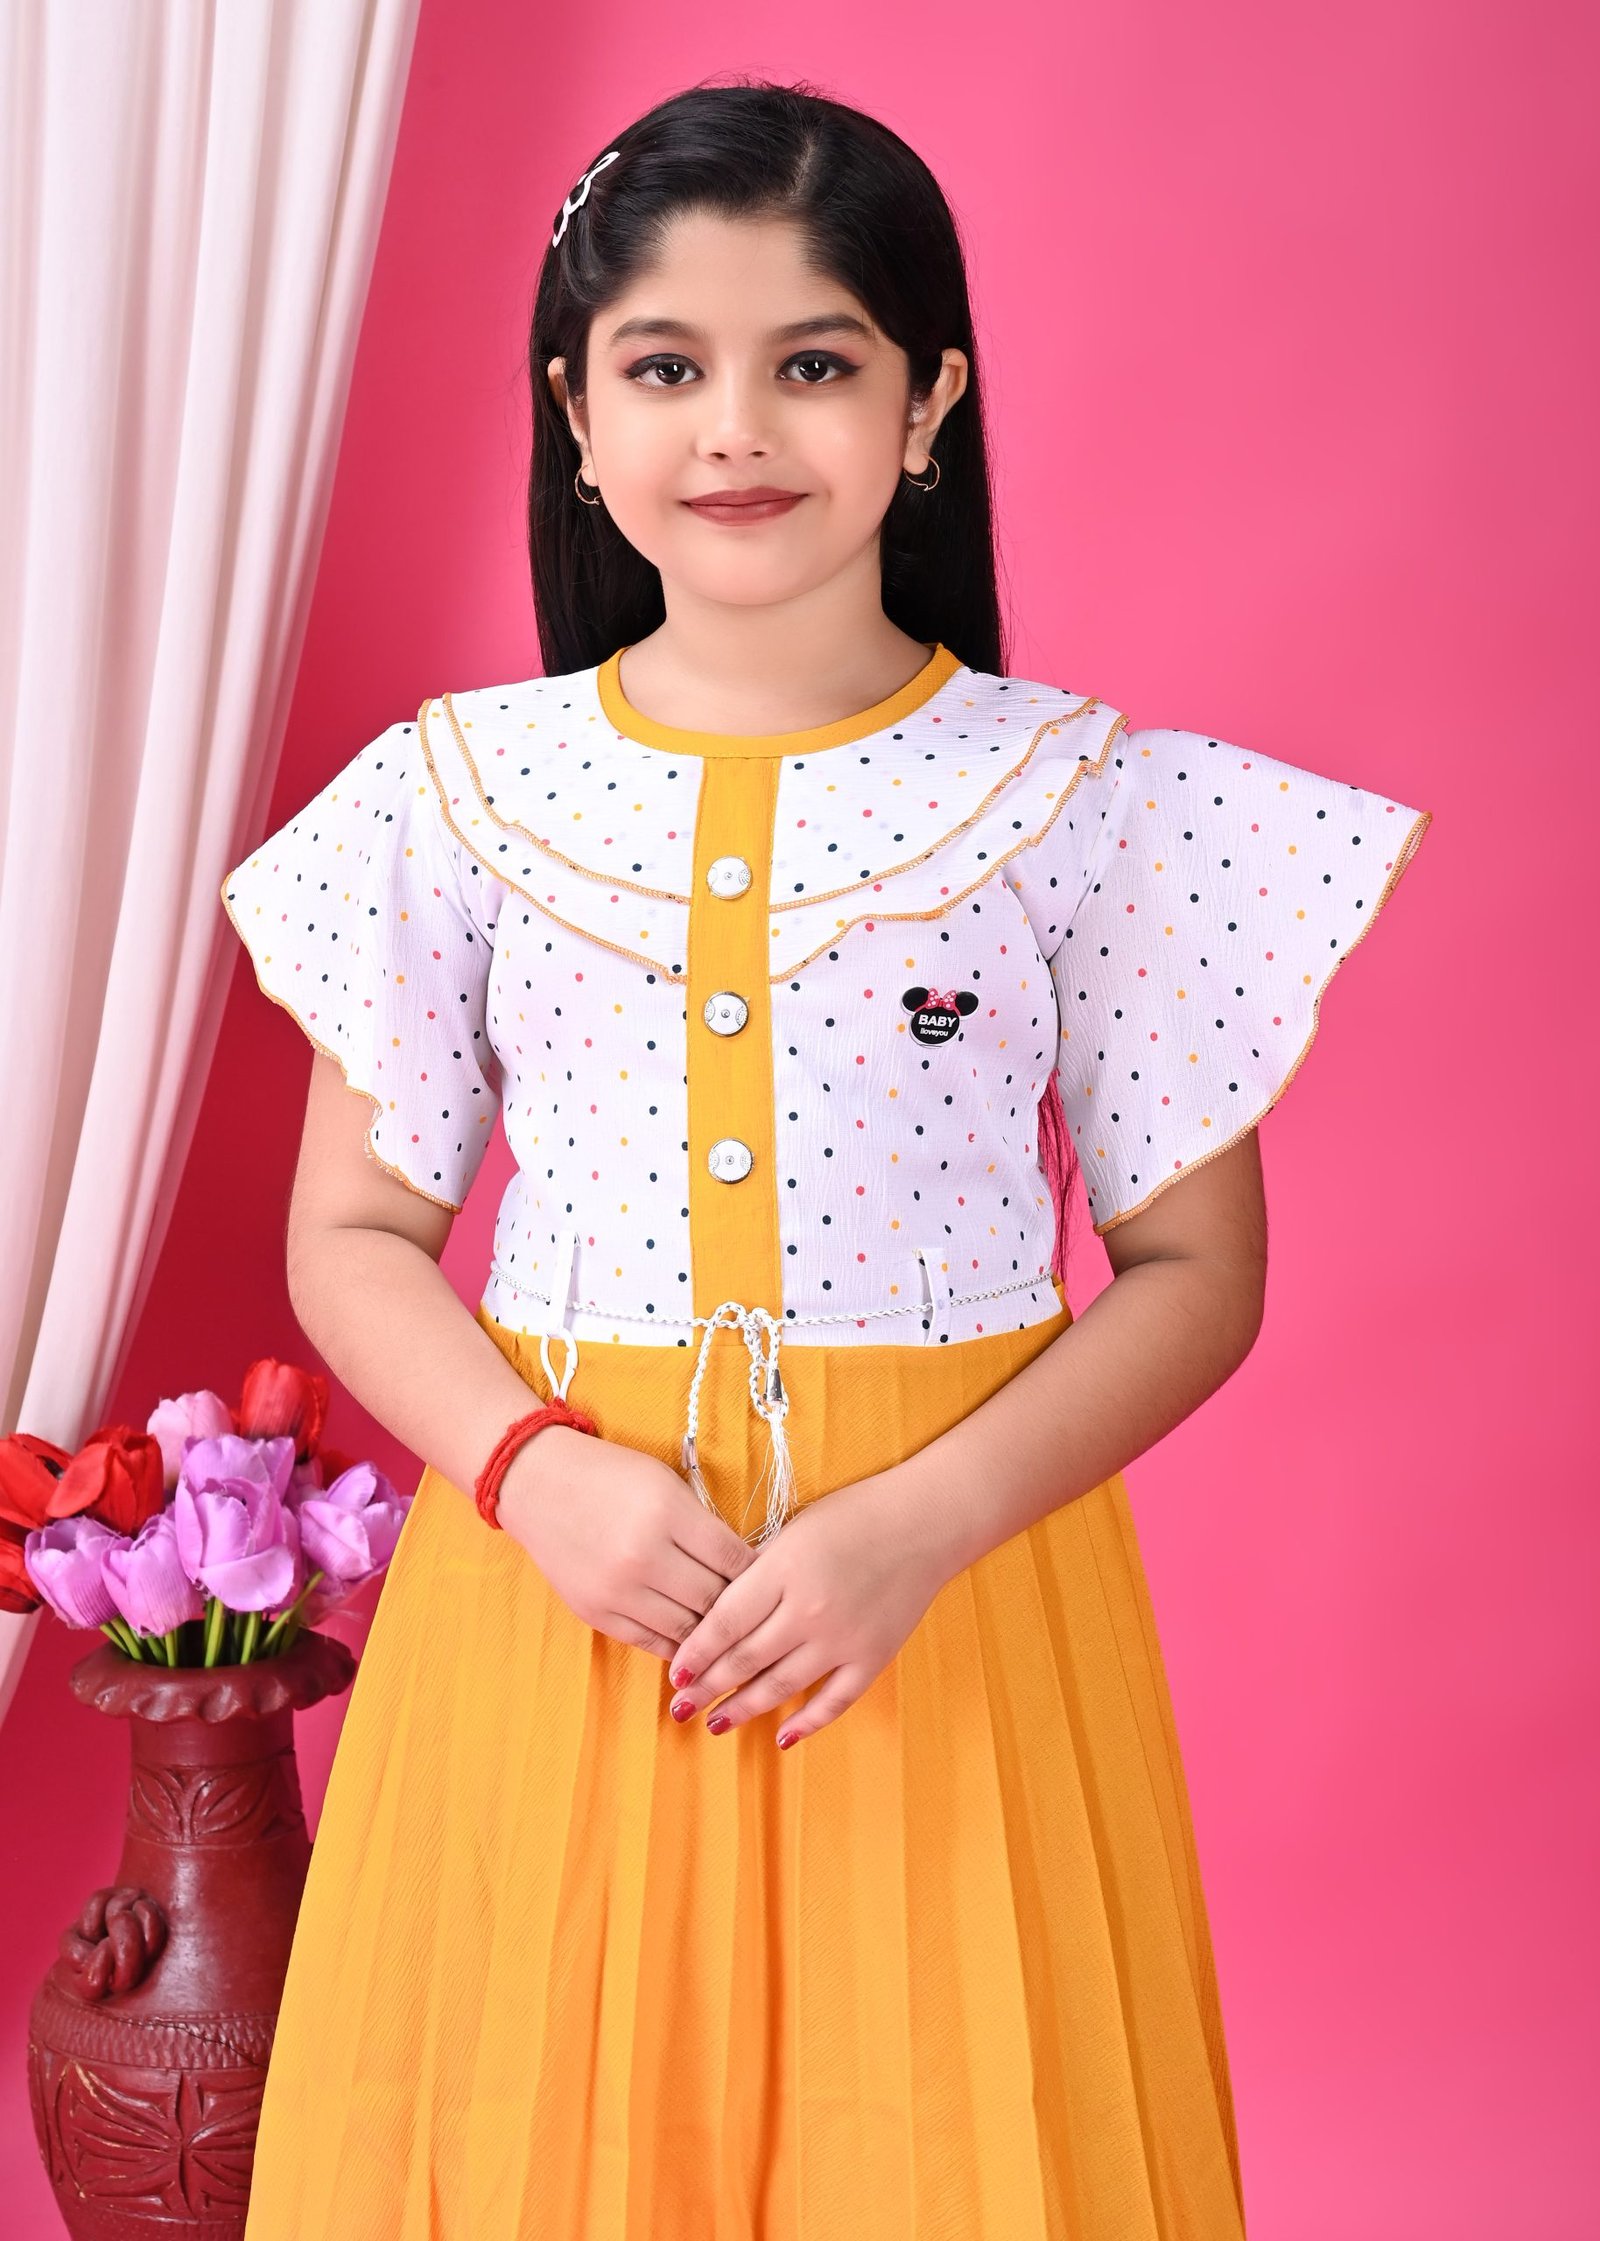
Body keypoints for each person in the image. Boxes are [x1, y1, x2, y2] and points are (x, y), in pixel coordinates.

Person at [221, 78, 1432, 2241]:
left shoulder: (1087, 803)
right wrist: (536, 1476)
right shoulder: (453, 797)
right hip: (560, 1594)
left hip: (951, 1605)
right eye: (664, 367)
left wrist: (912, 1528)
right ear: (575, 412)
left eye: (811, 363)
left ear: (926, 400)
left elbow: (1195, 1270)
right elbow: (354, 1233)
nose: (734, 430)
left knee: (958, 2146)